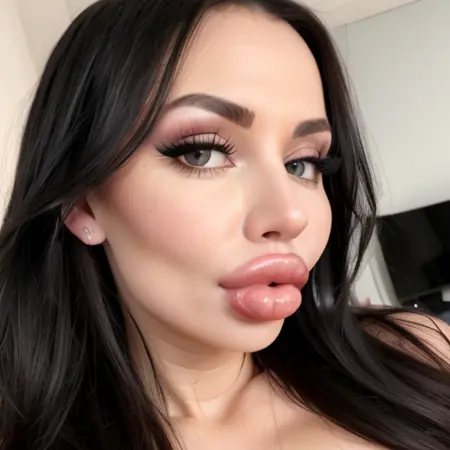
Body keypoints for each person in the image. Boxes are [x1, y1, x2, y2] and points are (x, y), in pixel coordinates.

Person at [0, 0, 449, 449]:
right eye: (202, 152)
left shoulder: (420, 353)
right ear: (83, 202)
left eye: (303, 164)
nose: (291, 215)